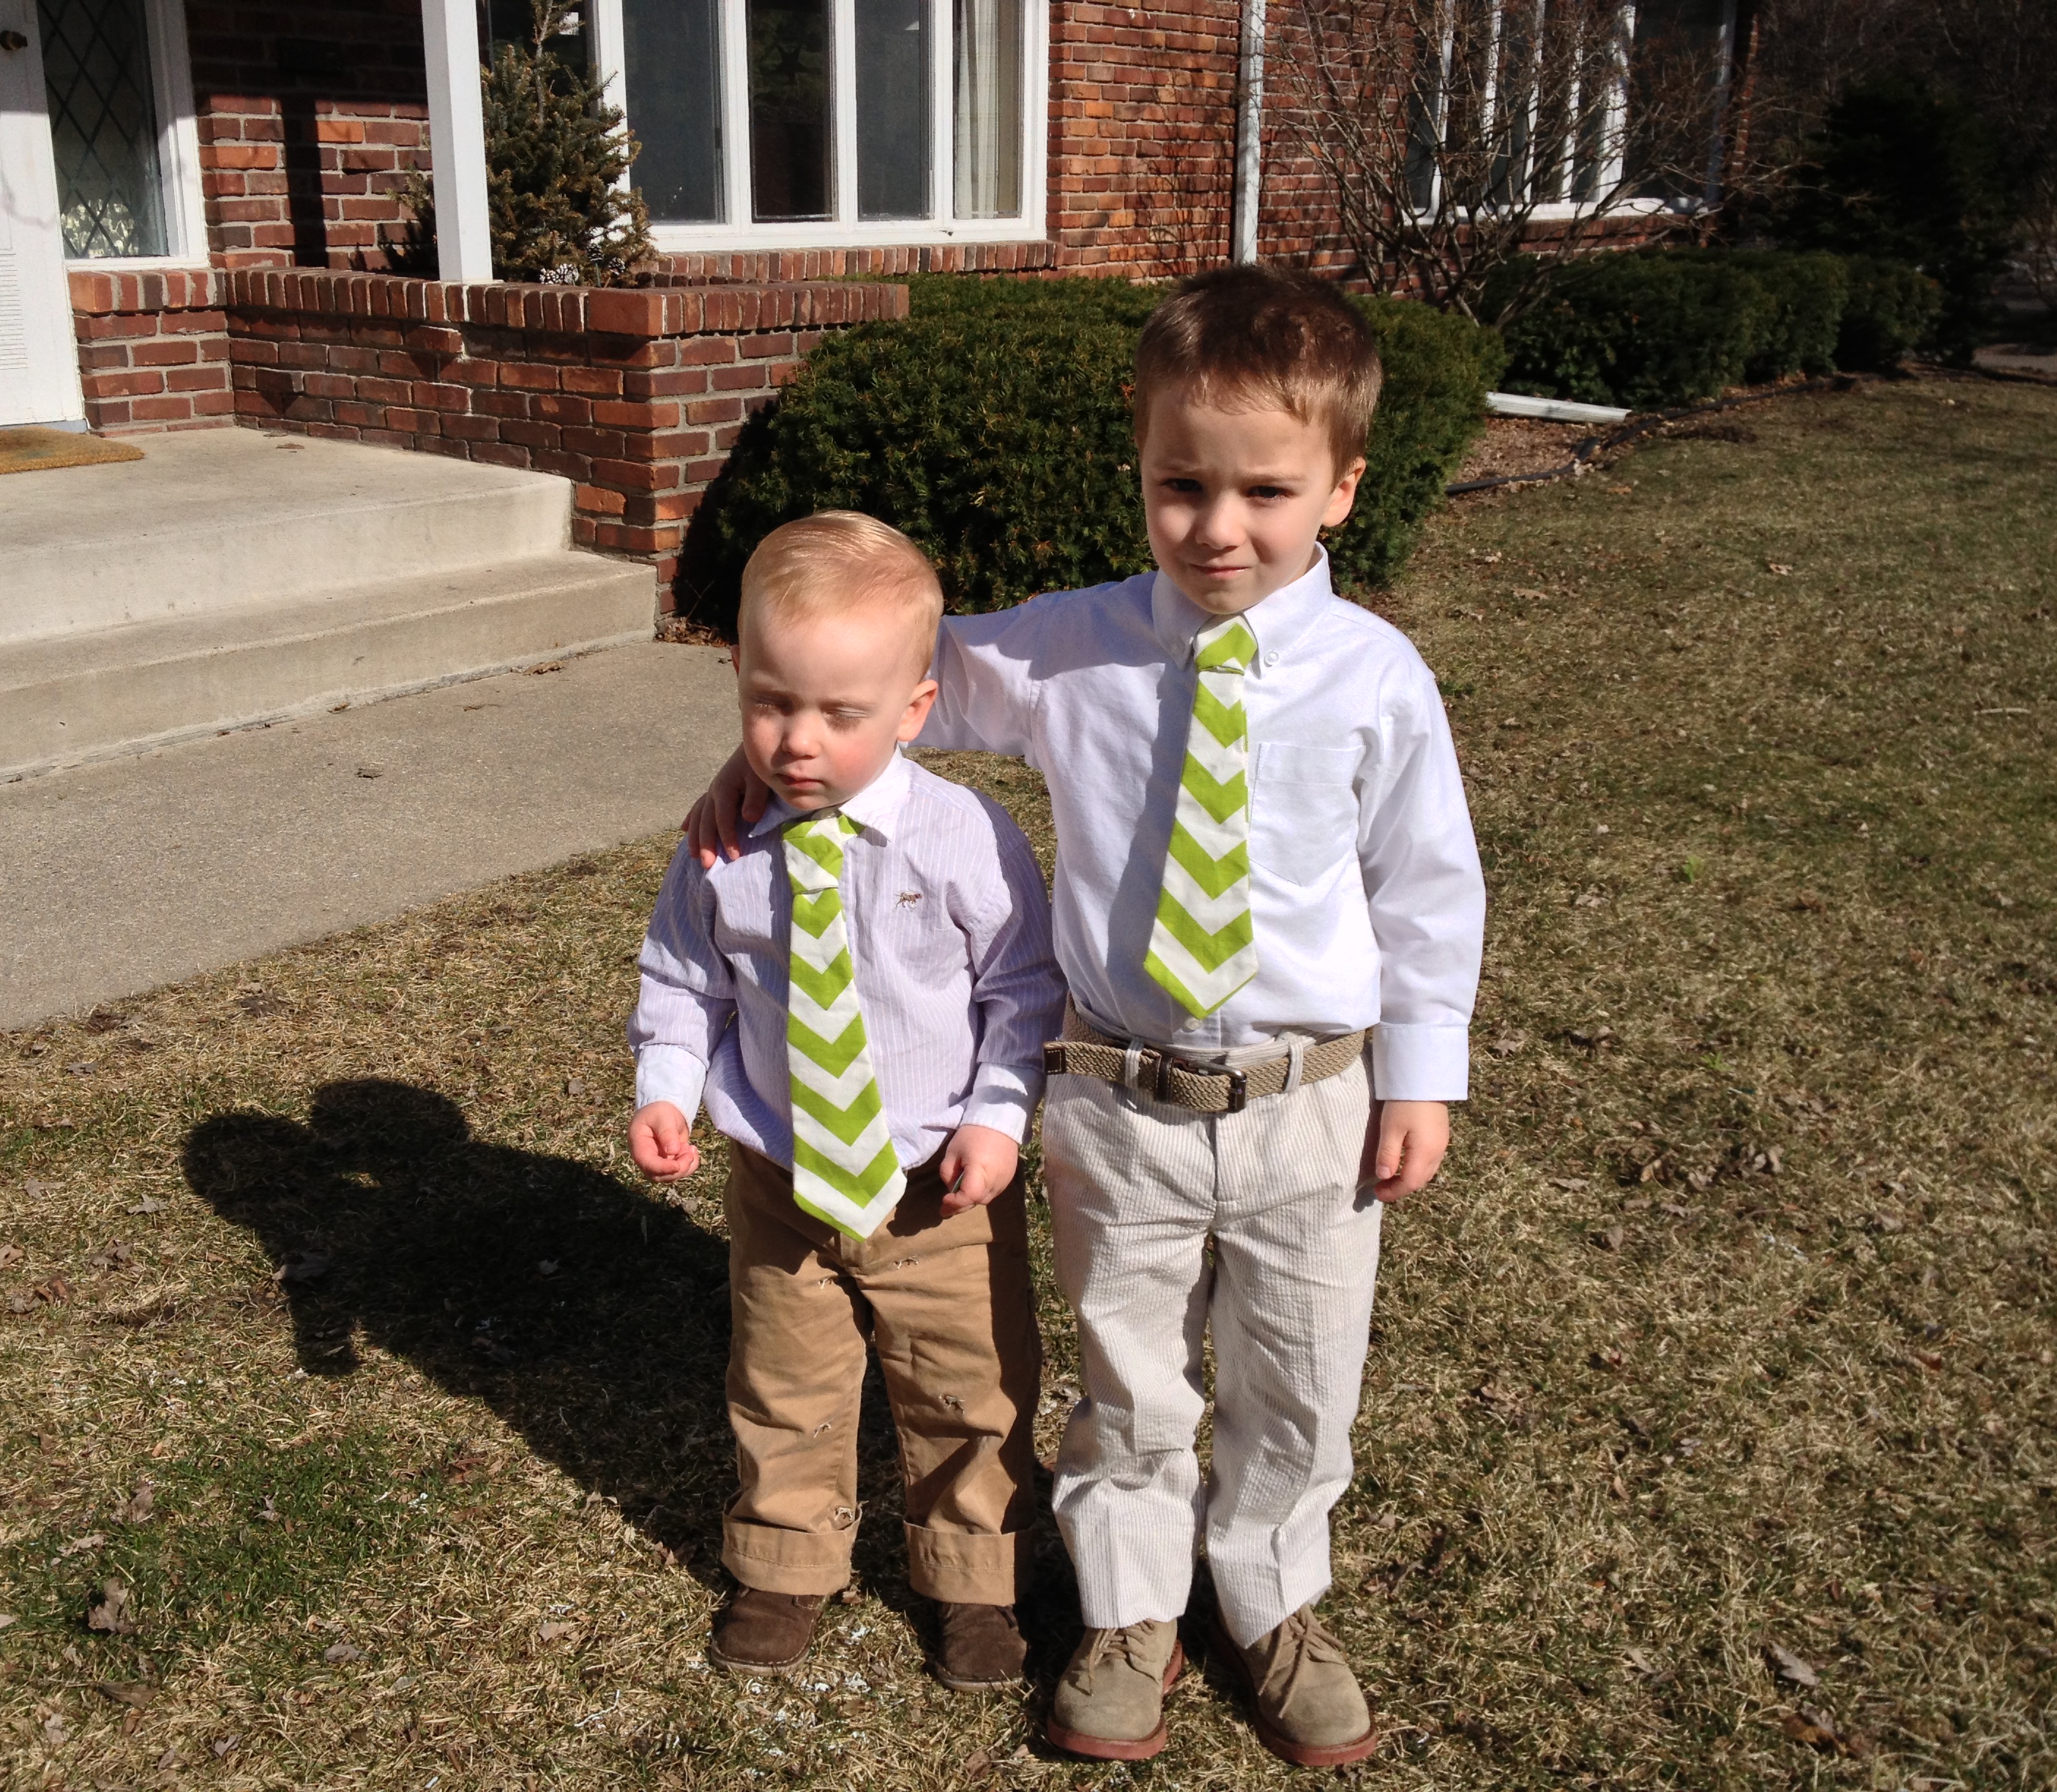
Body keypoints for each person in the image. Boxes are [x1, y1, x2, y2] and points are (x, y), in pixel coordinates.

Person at [687, 266, 1485, 1767]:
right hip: (1121, 1101)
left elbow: (1428, 888)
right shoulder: (1076, 648)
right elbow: (885, 671)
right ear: (1142, 464)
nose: (1219, 526)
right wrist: (775, 755)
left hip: (1310, 1099)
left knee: (1299, 1378)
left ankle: (1270, 1600)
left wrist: (1422, 1075)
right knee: (1128, 1373)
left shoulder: (1376, 680)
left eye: (1266, 490)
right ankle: (1130, 1610)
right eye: (1183, 484)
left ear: (1343, 486)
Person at [626, 511, 1067, 1691]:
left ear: (915, 709)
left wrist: (998, 1118)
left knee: (970, 1385)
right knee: (783, 1380)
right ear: (737, 677)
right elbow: (684, 980)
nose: (798, 742)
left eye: (839, 714)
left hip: (939, 1189)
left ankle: (973, 1577)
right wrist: (667, 1086)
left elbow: (1023, 990)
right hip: (782, 1178)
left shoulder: (962, 836)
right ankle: (784, 1560)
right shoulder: (722, 847)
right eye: (771, 705)